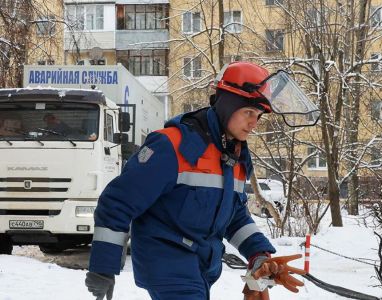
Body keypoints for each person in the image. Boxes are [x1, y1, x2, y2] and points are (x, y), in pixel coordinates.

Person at [85, 61, 317, 300]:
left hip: (201, 267)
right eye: (248, 112)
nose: (254, 124)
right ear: (228, 106)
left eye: (258, 116)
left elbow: (234, 216)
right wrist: (104, 266)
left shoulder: (233, 157)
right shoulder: (172, 146)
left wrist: (258, 253)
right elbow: (118, 201)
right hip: (166, 263)